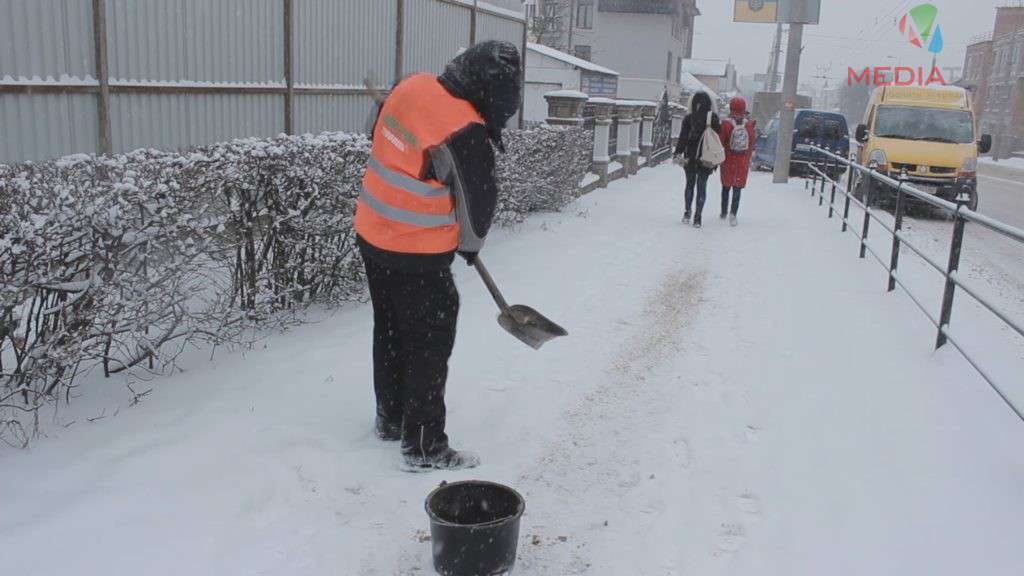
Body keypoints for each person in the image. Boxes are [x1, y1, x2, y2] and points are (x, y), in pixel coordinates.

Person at [354, 41, 521, 472]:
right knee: (429, 340)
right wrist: (468, 245)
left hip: (372, 233)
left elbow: (379, 136)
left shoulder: (413, 85)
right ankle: (425, 445)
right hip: (417, 251)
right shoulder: (462, 128)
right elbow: (477, 207)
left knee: (390, 328)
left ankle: (391, 419)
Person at [673, 92, 721, 228]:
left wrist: (678, 153)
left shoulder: (688, 118)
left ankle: (687, 212)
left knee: (689, 185)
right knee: (702, 186)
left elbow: (683, 138)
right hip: (706, 158)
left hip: (690, 156)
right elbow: (717, 138)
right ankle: (698, 217)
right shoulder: (713, 118)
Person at [718, 96, 756, 227]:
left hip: (728, 159)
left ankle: (723, 212)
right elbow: (751, 144)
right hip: (742, 161)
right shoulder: (749, 125)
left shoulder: (726, 123)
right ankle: (733, 214)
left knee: (726, 187)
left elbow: (721, 142)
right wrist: (748, 158)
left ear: (731, 107)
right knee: (737, 188)